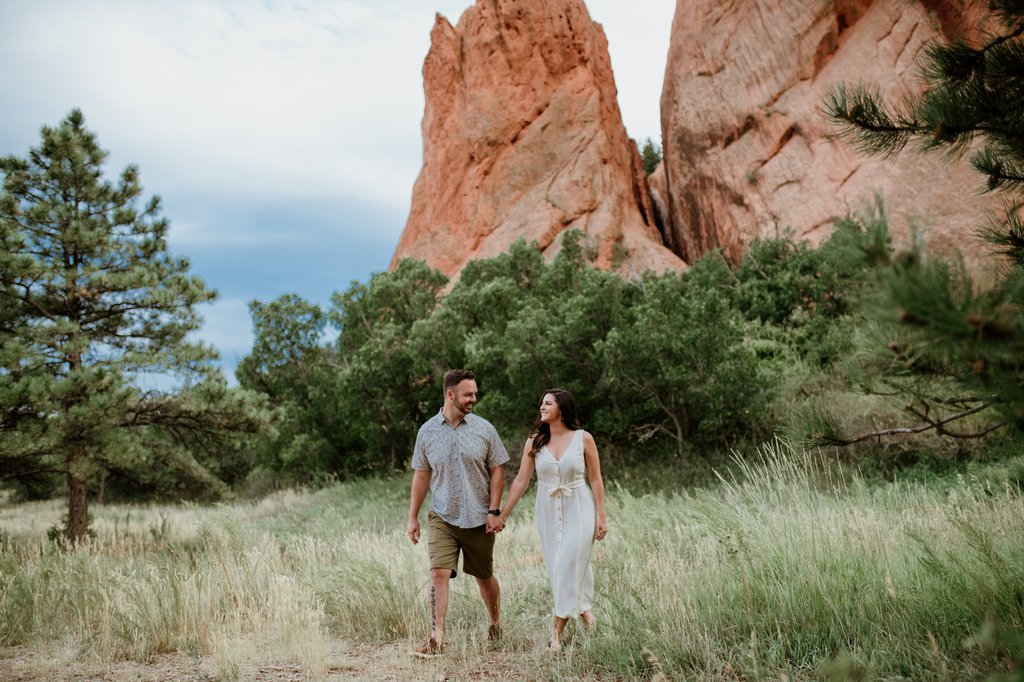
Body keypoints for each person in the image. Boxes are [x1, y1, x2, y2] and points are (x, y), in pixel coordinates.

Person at [406, 369, 510, 658]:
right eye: (468, 394)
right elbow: (421, 476)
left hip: (479, 518)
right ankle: (436, 637)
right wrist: (412, 517)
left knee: (484, 576)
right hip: (443, 515)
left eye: (474, 393)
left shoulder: (484, 429)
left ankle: (495, 622)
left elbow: (497, 471)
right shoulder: (427, 432)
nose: (473, 399)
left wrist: (494, 510)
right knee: (438, 572)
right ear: (450, 394)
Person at [499, 388, 608, 651]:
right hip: (546, 509)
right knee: (558, 566)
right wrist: (503, 514)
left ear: (562, 408)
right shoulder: (534, 441)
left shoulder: (584, 439)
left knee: (568, 563)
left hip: (580, 507)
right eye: (541, 403)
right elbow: (522, 481)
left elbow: (595, 479)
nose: (542, 407)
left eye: (548, 403)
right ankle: (584, 612)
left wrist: (602, 516)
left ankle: (555, 634)